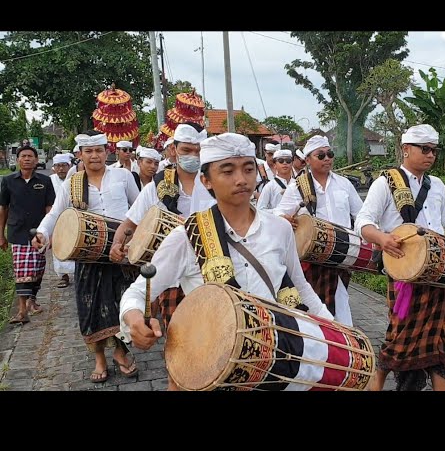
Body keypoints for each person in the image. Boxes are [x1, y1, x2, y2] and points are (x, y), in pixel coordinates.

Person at [119, 133, 333, 390]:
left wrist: (331, 328)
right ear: (206, 180)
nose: (241, 179)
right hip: (216, 365)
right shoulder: (187, 236)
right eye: (228, 171)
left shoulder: (280, 229)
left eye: (248, 169)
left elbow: (300, 285)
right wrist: (133, 317)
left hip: (276, 357)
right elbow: (140, 290)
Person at [355, 124, 445, 391]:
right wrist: (383, 239)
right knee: (399, 339)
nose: (430, 155)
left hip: (437, 274)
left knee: (441, 339)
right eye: (425, 149)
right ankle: (375, 386)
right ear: (406, 149)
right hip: (404, 275)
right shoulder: (385, 182)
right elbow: (363, 222)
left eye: (434, 150)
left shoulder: (438, 186)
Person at [33, 131, 140, 384]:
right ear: (80, 155)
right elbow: (56, 214)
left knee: (123, 304)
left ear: (106, 152)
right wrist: (41, 232)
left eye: (99, 150)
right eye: (88, 151)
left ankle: (120, 352)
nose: (95, 156)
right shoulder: (73, 183)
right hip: (88, 256)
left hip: (120, 254)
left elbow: (139, 209)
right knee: (90, 308)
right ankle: (99, 358)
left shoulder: (123, 177)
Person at [110, 123, 212, 329]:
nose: (193, 156)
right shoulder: (156, 187)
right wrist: (116, 244)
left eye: (198, 151)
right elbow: (130, 222)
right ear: (174, 150)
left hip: (211, 269)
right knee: (178, 332)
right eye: (186, 150)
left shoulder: (215, 182)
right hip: (170, 270)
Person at [275, 135, 363, 325]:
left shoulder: (344, 184)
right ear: (307, 160)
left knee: (340, 302)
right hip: (312, 259)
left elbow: (361, 216)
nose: (327, 159)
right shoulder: (297, 186)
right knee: (316, 305)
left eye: (329, 154)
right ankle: (329, 341)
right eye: (320, 155)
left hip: (341, 256)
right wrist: (286, 220)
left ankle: (340, 341)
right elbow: (279, 215)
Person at [0, 145, 56, 323]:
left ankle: (33, 300)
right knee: (22, 270)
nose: (27, 159)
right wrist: (1, 234)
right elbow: (3, 209)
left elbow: (50, 209)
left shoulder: (45, 182)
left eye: (30, 156)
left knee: (38, 268)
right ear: (17, 160)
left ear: (36, 160)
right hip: (17, 231)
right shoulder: (8, 181)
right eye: (23, 156)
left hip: (39, 232)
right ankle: (22, 310)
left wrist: (51, 232)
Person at [49, 153, 75, 288]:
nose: (61, 169)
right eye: (58, 166)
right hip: (56, 219)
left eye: (64, 166)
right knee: (58, 247)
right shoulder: (50, 180)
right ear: (54, 167)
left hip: (73, 219)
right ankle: (63, 276)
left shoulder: (75, 179)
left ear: (69, 166)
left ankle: (78, 274)